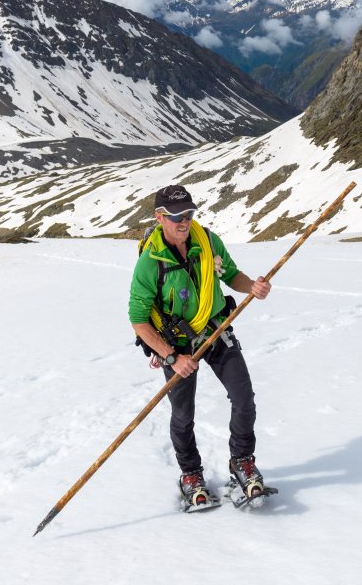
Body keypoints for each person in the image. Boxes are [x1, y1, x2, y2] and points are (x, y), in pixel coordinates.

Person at [128, 184, 272, 510]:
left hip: (216, 330)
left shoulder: (206, 241)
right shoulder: (150, 263)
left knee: (244, 398)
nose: (184, 221)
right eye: (177, 216)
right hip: (177, 346)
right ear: (160, 217)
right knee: (183, 414)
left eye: (189, 214)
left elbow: (230, 274)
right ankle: (190, 474)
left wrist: (253, 287)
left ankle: (242, 462)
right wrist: (169, 356)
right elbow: (138, 319)